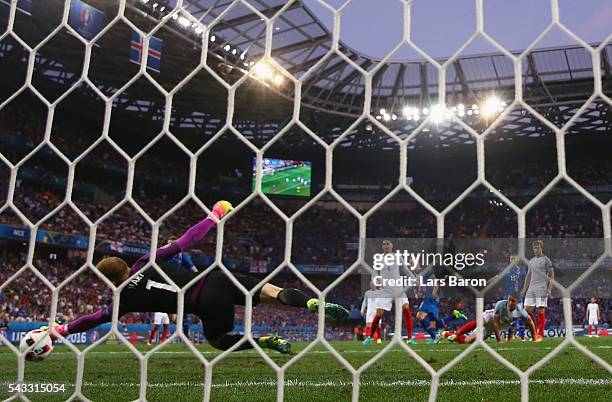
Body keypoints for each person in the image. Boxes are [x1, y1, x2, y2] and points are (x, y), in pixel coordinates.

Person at [43, 201, 349, 354]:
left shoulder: (123, 299)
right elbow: (186, 241)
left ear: (109, 281)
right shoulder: (144, 261)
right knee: (271, 291)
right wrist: (214, 214)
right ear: (125, 265)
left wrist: (62, 329)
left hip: (204, 303)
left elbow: (94, 319)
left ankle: (267, 341)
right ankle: (311, 301)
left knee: (217, 340)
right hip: (215, 278)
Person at [443, 293, 538, 344]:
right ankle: (456, 334)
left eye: (513, 301)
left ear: (517, 302)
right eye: (509, 299)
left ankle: (445, 333)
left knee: (468, 340)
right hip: (490, 318)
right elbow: (495, 322)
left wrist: (534, 339)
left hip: (493, 328)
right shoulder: (500, 304)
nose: (510, 302)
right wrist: (499, 340)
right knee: (480, 322)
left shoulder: (520, 311)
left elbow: (530, 323)